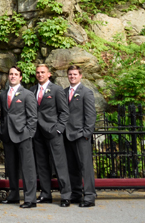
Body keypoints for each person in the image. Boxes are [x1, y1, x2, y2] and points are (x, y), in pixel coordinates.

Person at [30, 64, 72, 207]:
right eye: (38, 72)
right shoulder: (32, 90)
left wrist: (59, 129)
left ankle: (66, 195)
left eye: (43, 72)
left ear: (49, 74)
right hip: (37, 133)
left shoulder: (56, 90)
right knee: (42, 165)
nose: (40, 74)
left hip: (53, 132)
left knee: (60, 164)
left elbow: (64, 112)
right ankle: (45, 194)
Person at [0, 65, 38, 208]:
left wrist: (28, 133)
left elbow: (33, 117)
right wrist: (2, 131)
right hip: (8, 136)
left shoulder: (27, 94)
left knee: (27, 168)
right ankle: (14, 195)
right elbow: (3, 116)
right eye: (10, 74)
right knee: (11, 168)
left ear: (20, 77)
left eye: (15, 74)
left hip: (23, 135)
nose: (13, 76)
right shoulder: (3, 95)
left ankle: (30, 199)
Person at [64, 65, 97, 208]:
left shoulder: (86, 92)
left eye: (75, 74)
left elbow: (90, 115)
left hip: (81, 135)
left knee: (85, 167)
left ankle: (89, 196)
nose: (72, 76)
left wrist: (86, 133)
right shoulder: (64, 92)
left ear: (80, 76)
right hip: (67, 135)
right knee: (72, 167)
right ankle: (76, 193)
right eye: (70, 74)